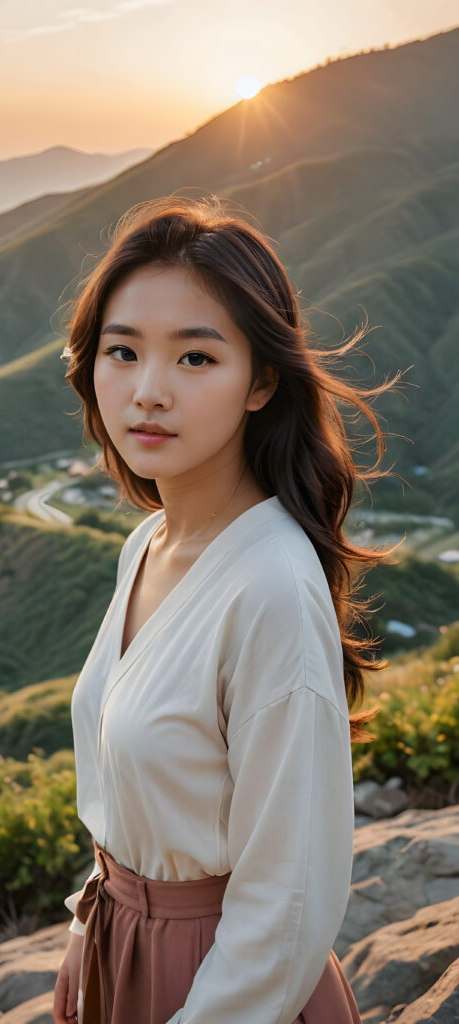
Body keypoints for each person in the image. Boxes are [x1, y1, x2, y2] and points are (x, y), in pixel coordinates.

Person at [52, 194, 406, 1024]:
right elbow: (134, 788)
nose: (147, 391)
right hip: (126, 950)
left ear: (262, 382)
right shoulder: (147, 545)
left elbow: (289, 899)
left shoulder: (271, 588)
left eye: (196, 359)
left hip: (223, 982)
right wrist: (89, 924)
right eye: (123, 351)